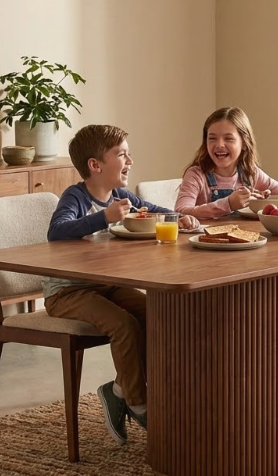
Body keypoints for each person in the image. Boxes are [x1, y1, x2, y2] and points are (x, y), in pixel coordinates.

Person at [43, 124, 200, 445]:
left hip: (106, 285)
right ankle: (139, 402)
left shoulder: (121, 196)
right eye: (122, 154)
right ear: (95, 165)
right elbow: (57, 231)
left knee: (158, 315)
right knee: (123, 324)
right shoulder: (76, 197)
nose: (130, 160)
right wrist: (105, 217)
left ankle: (118, 390)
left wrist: (178, 217)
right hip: (68, 291)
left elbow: (154, 210)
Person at [175, 107, 278, 219]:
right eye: (212, 138)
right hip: (207, 241)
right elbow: (180, 212)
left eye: (228, 138)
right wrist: (228, 204)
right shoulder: (196, 175)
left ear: (244, 143)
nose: (219, 145)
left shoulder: (250, 173)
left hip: (246, 239)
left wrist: (267, 202)